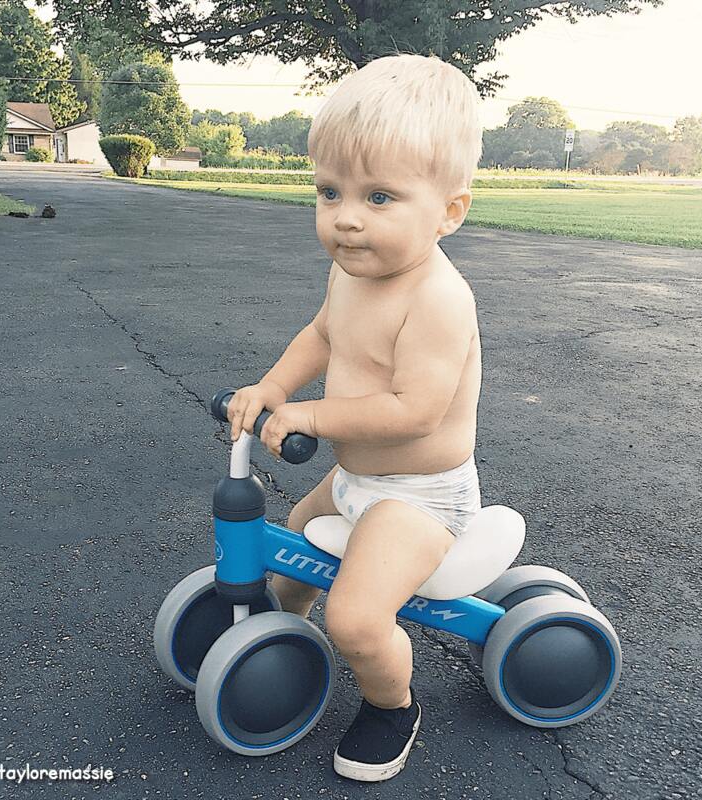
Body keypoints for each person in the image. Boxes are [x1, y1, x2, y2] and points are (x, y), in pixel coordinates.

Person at [225, 52, 483, 782]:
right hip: (355, 479)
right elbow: (322, 335)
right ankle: (279, 638)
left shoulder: (437, 298)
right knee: (290, 567)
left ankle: (392, 704)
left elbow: (414, 409)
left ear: (450, 211)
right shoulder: (352, 269)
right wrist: (274, 386)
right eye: (329, 191)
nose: (344, 219)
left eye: (379, 198)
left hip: (420, 499)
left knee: (358, 620)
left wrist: (312, 411)